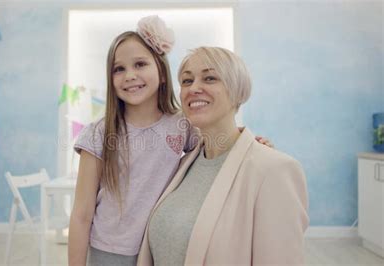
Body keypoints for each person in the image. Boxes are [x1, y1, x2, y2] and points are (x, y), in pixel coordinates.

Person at [68, 16, 273, 266]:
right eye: (118, 69)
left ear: (162, 73)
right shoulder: (99, 133)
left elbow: (217, 149)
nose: (129, 75)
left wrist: (250, 145)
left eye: (140, 64)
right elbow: (81, 215)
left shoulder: (182, 125)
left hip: (161, 248)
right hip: (109, 253)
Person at [137, 47, 309, 266]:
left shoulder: (275, 170)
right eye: (187, 81)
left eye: (210, 78)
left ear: (237, 90)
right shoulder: (183, 164)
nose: (194, 88)